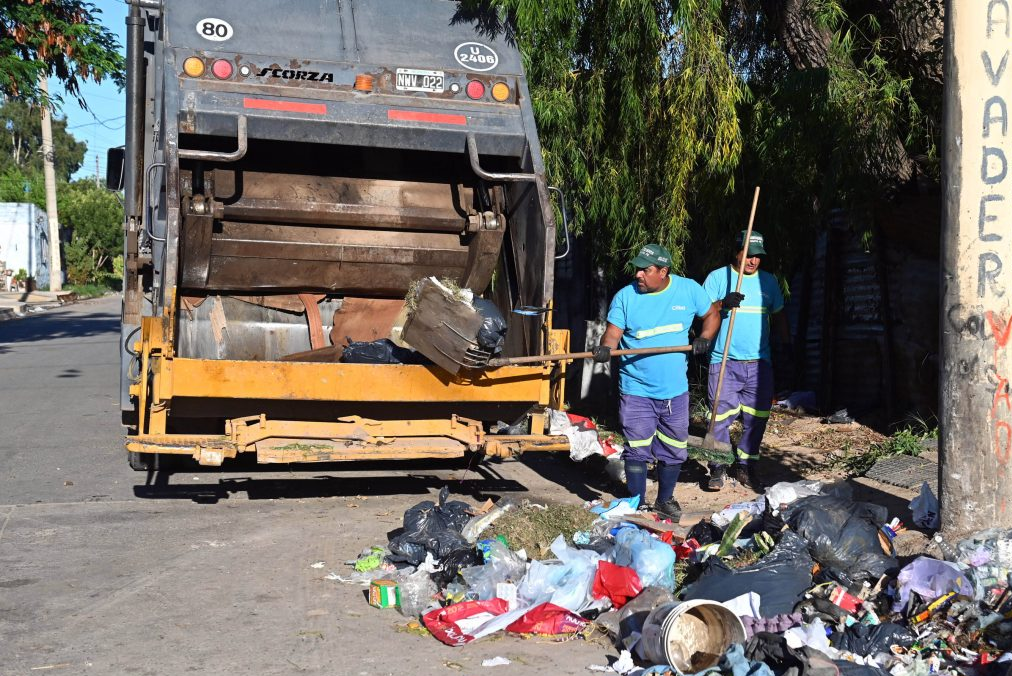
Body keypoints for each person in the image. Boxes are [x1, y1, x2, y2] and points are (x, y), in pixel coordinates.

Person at [593, 243, 720, 521]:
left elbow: (711, 314)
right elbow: (613, 334)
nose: (638, 275)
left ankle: (665, 500)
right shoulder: (626, 297)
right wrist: (605, 348)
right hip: (636, 388)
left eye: (645, 270)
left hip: (674, 391)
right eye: (637, 269)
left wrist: (705, 338)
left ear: (663, 271)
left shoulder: (688, 291)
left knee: (673, 447)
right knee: (637, 447)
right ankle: (636, 502)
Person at [702, 230, 791, 492]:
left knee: (757, 418)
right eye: (748, 255)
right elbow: (703, 314)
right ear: (737, 252)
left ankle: (745, 466)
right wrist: (722, 304)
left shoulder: (769, 282)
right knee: (719, 417)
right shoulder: (719, 277)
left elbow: (780, 316)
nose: (752, 261)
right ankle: (717, 467)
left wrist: (787, 347)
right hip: (724, 360)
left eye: (757, 257)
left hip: (759, 363)